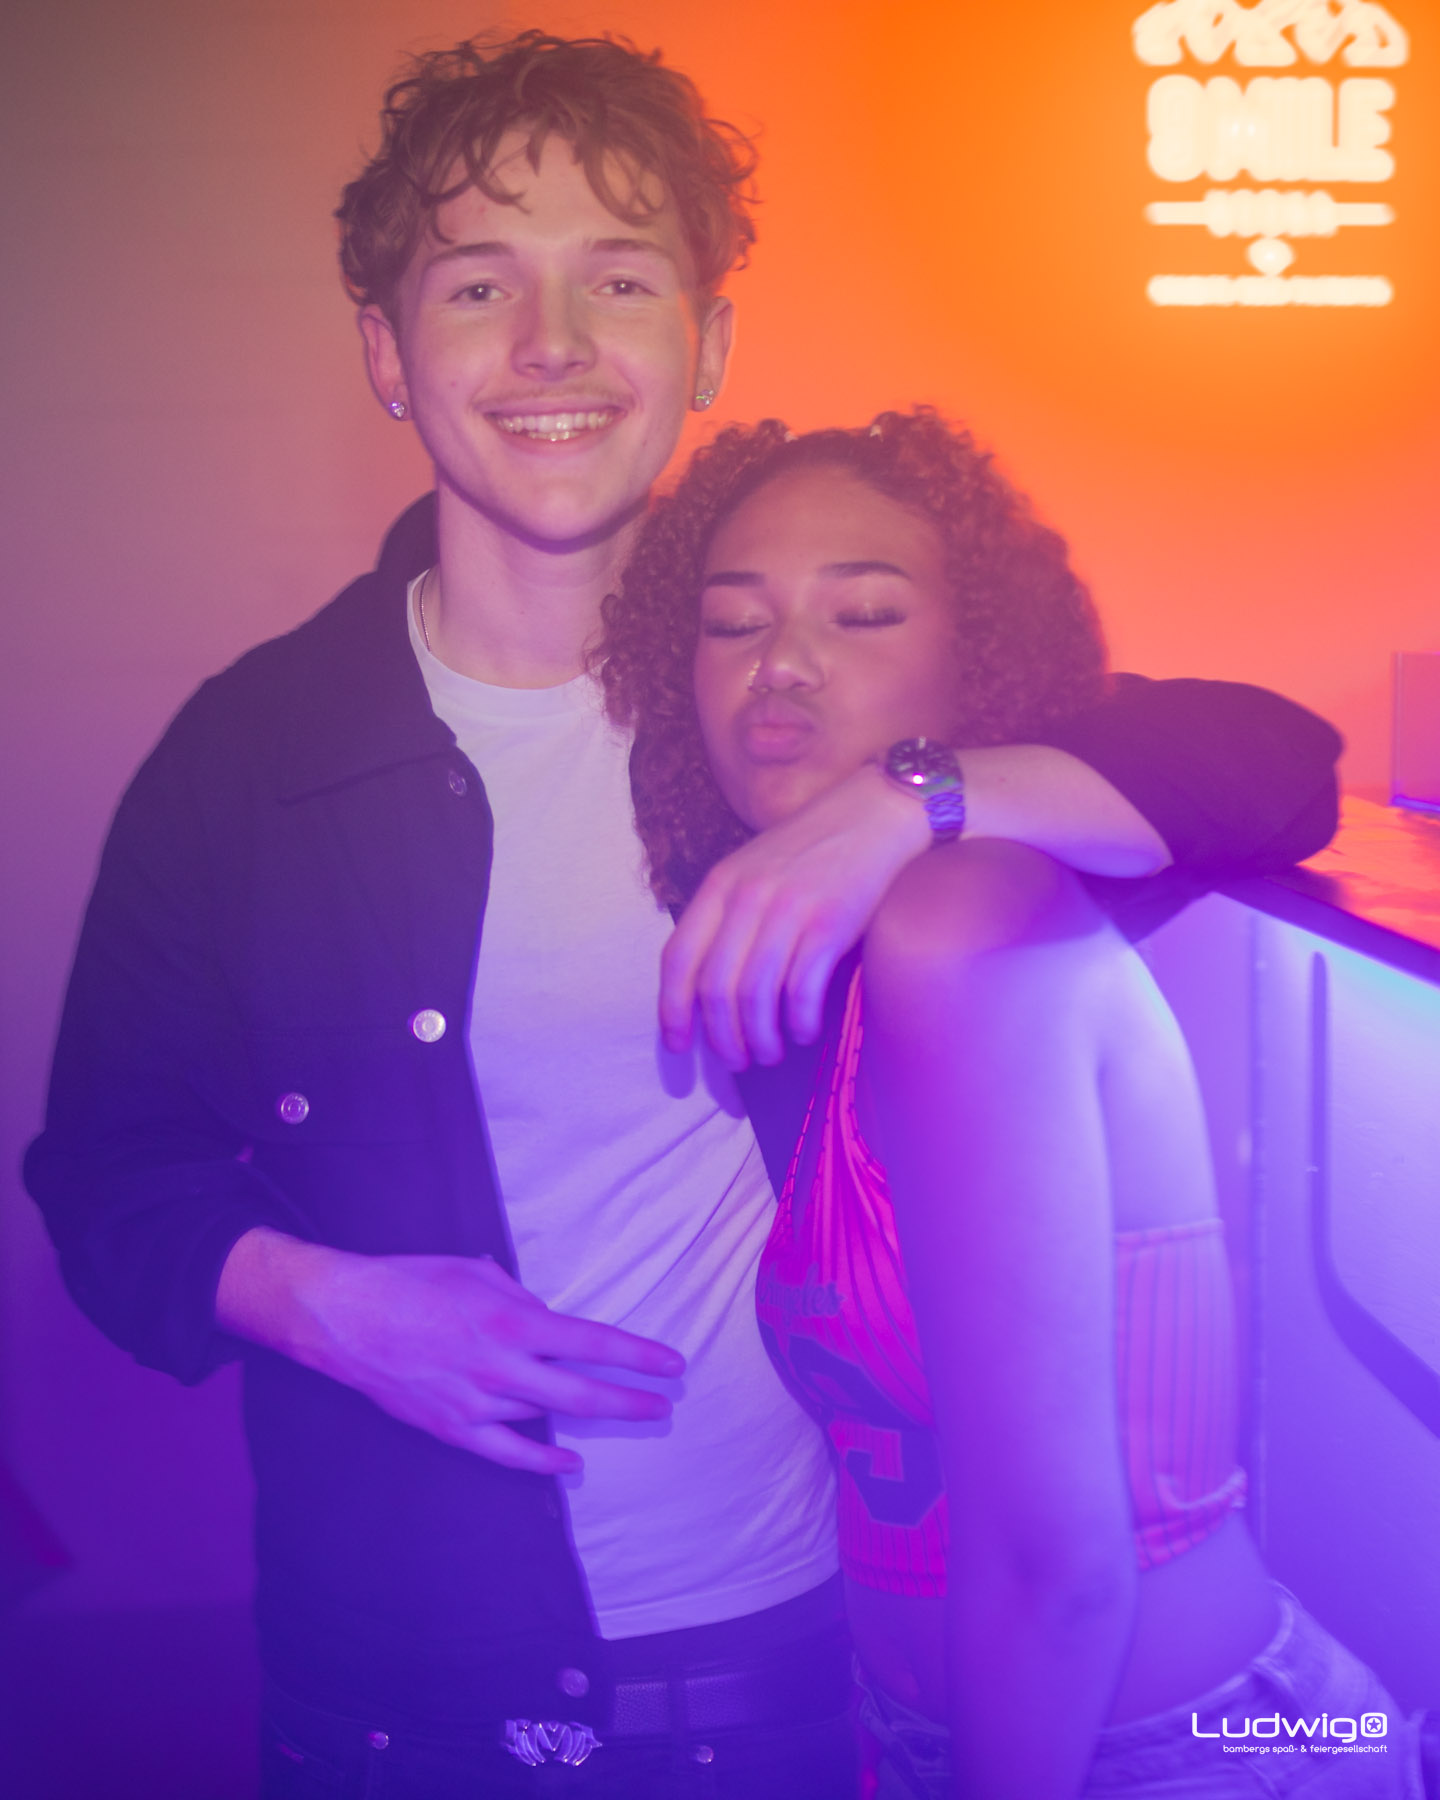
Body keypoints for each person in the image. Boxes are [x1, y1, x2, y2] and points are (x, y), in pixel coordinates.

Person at [25, 34, 1343, 1800]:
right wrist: (328, 1304)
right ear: (389, 356)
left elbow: (1266, 758)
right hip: (403, 1700)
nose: (552, 342)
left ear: (708, 345)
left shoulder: (799, 719)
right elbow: (105, 1173)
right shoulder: (248, 757)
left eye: (620, 278)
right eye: (479, 283)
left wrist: (907, 801)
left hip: (802, 1677)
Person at [599, 408, 1420, 1799]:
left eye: (863, 614)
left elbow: (1058, 1573)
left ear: (975, 655)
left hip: (1173, 1757)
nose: (780, 662)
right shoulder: (820, 980)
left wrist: (905, 799)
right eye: (732, 624)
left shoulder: (961, 916)